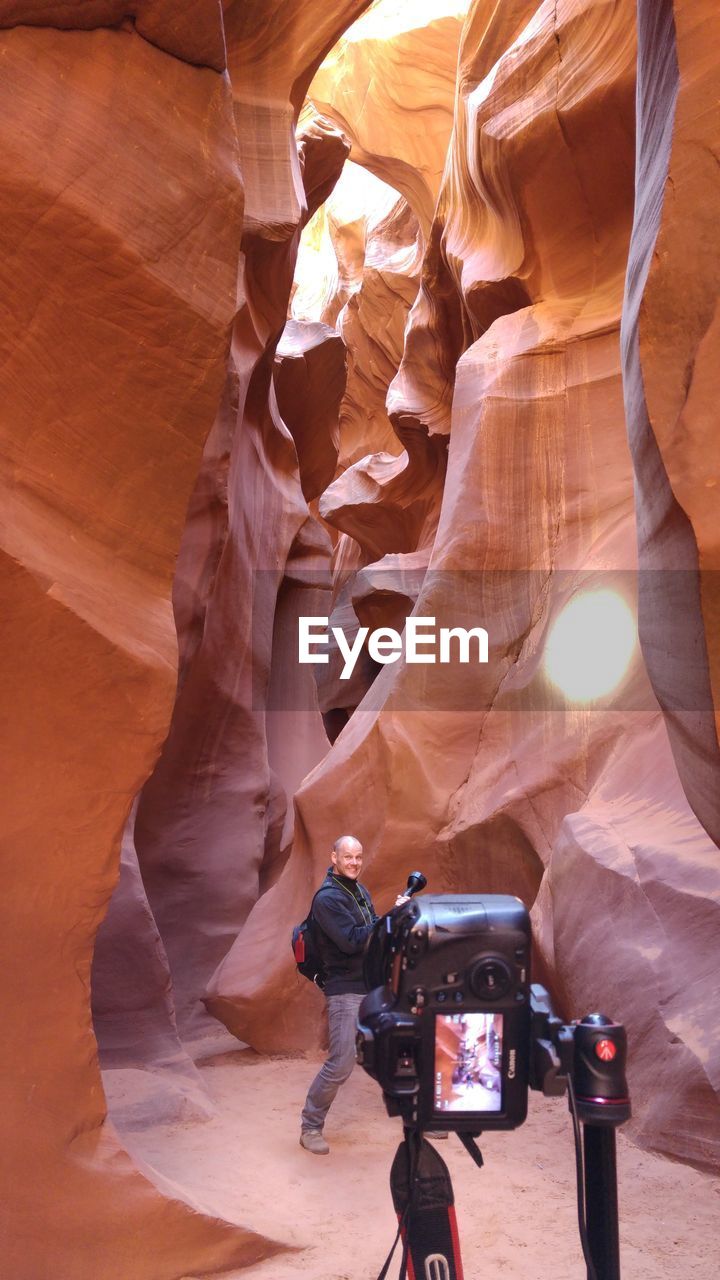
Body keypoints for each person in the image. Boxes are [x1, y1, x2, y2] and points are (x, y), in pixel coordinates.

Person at [299, 834, 407, 1154]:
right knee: (342, 1062)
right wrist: (390, 917)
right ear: (334, 857)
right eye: (348, 857)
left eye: (359, 857)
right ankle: (310, 1126)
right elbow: (352, 940)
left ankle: (419, 1119)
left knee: (398, 1050)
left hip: (371, 985)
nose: (354, 863)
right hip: (345, 990)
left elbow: (373, 933)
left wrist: (393, 921)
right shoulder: (327, 899)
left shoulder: (359, 891)